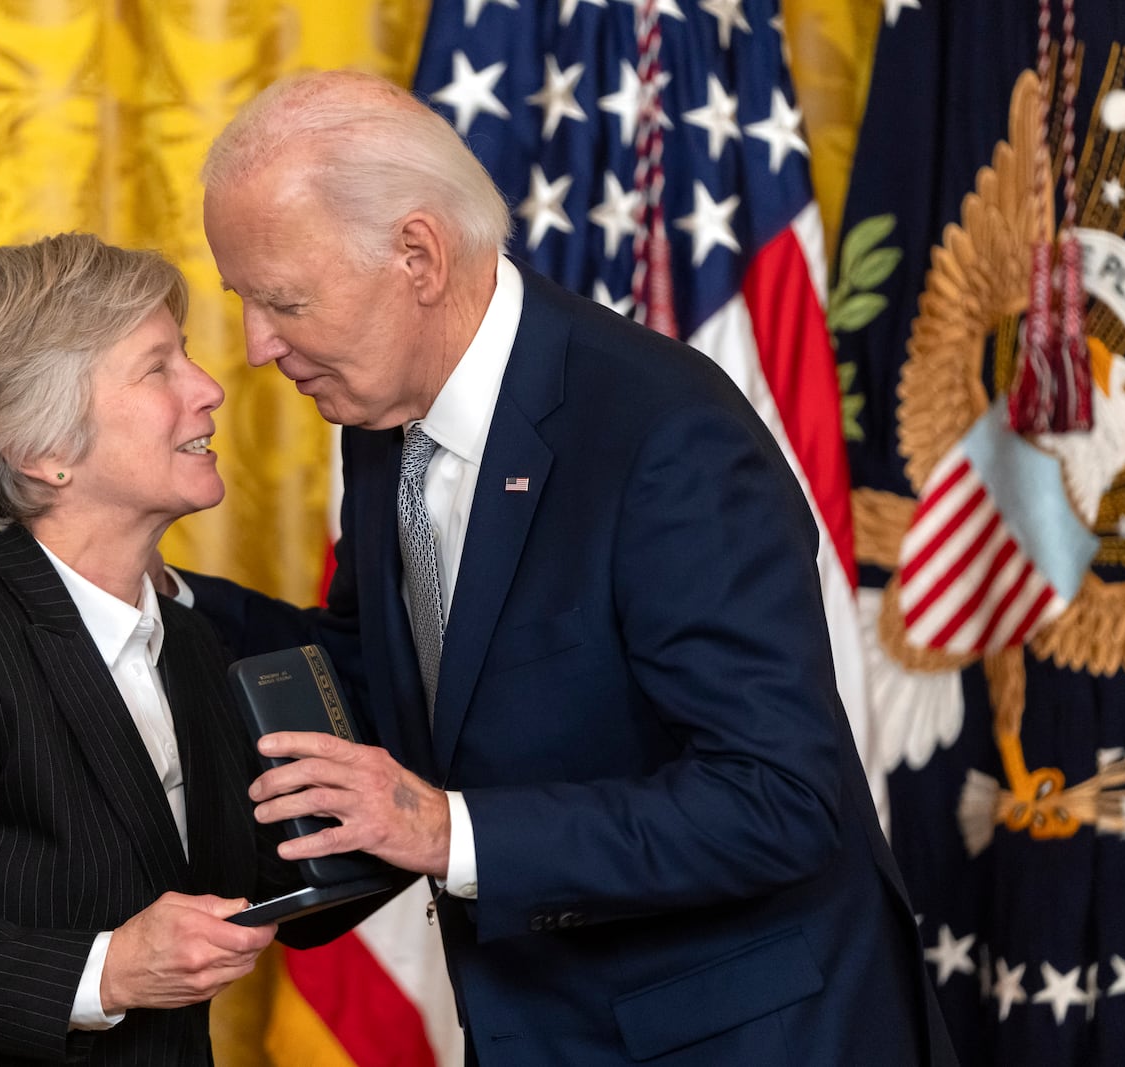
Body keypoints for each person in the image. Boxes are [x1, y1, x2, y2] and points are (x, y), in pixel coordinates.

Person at [179, 71, 957, 1065]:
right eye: (245, 301)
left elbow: (777, 800)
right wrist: (158, 599)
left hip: (741, 1037)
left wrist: (449, 831)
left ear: (417, 255)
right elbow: (391, 671)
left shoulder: (660, 435)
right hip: (549, 1025)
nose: (255, 347)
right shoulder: (379, 420)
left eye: (284, 301)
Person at [0, 233, 355, 1065]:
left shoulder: (193, 643)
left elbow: (262, 886)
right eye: (158, 366)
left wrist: (439, 819)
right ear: (42, 451)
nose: (209, 389)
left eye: (187, 355)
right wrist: (108, 970)